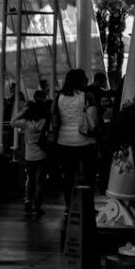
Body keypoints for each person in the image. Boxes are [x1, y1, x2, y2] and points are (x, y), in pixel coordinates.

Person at [52, 68, 98, 211]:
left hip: (64, 140)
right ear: (81, 80)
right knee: (89, 176)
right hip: (86, 141)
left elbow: (55, 119)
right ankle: (88, 206)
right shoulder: (88, 96)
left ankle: (69, 206)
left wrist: (55, 139)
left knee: (68, 176)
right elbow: (94, 119)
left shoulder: (59, 96)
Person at [13, 89, 51, 215]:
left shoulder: (26, 123)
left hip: (29, 155)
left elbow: (13, 121)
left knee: (30, 179)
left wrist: (25, 110)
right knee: (40, 181)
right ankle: (37, 205)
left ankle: (28, 200)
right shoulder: (44, 121)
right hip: (42, 153)